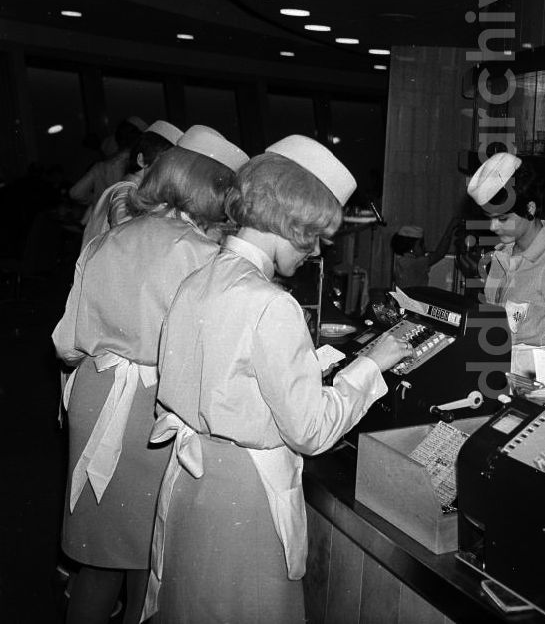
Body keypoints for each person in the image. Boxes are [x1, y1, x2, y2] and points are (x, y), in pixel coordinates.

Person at [145, 134, 413, 624]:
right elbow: (310, 431)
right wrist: (373, 363)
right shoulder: (272, 303)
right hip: (246, 499)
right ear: (289, 220)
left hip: (190, 484)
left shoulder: (199, 277)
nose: (312, 252)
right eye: (310, 237)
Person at [52, 125, 249, 624]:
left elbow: (65, 344)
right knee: (150, 555)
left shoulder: (110, 239)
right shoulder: (205, 257)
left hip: (95, 392)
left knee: (98, 556)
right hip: (156, 405)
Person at [467, 152, 545, 349]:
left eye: (503, 218)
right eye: (489, 218)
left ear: (530, 208)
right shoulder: (502, 255)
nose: (492, 227)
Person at [78, 120, 183, 251]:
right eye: (166, 165)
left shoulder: (136, 190)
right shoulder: (126, 191)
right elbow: (126, 228)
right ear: (141, 160)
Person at [69, 116, 147, 221]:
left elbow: (75, 192)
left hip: (100, 228)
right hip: (127, 226)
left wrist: (98, 199)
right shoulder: (139, 166)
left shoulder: (100, 166)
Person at [389, 216, 460, 290]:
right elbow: (439, 254)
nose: (424, 248)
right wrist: (451, 227)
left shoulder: (402, 261)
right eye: (420, 245)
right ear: (411, 248)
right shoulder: (414, 263)